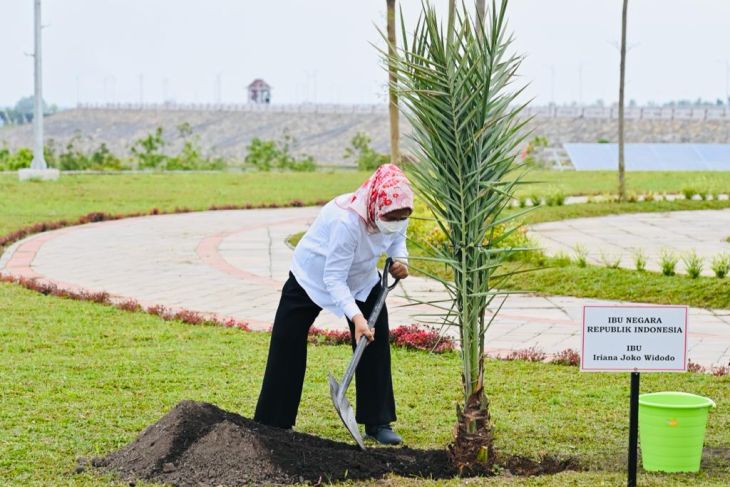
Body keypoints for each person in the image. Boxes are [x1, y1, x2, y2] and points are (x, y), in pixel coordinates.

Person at [254, 164, 413, 445]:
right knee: (287, 338)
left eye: (402, 217)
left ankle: (378, 422)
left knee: (374, 342)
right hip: (313, 275)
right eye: (392, 216)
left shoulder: (396, 208)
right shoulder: (347, 221)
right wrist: (355, 318)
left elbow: (397, 240)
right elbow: (333, 278)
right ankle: (273, 421)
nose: (397, 220)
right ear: (376, 203)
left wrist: (401, 261)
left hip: (362, 278)